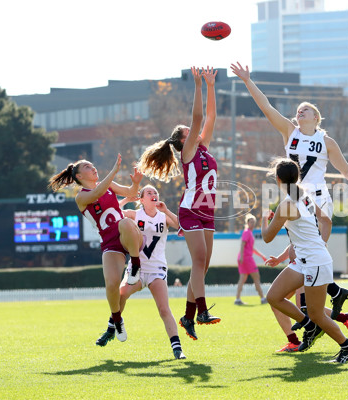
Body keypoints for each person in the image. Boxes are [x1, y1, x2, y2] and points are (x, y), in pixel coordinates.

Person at [231, 61, 348, 348]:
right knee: (302, 263)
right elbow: (266, 107)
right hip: (295, 196)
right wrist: (248, 81)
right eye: (298, 109)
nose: (300, 110)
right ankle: (325, 310)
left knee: (313, 258)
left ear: (317, 117)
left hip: (316, 199)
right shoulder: (290, 131)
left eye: (306, 108)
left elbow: (347, 170)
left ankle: (320, 315)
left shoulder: (327, 141)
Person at [137, 67, 219, 341]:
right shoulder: (189, 151)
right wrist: (196, 84)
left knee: (202, 267)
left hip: (208, 212)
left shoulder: (203, 147)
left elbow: (211, 116)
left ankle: (187, 315)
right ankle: (202, 311)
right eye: (189, 130)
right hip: (190, 211)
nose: (195, 130)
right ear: (184, 139)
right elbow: (198, 117)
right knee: (198, 261)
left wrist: (210, 84)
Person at [261, 158, 348, 363]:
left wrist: (264, 219)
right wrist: (320, 243)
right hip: (306, 260)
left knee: (317, 314)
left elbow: (267, 237)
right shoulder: (304, 196)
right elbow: (326, 220)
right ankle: (309, 327)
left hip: (313, 262)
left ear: (278, 180)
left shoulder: (286, 205)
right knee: (274, 296)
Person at [48, 154, 144, 344]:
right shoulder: (81, 197)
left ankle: (135, 263)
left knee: (124, 222)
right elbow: (96, 194)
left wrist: (136, 183)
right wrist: (114, 172)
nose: (92, 168)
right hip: (110, 243)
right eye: (87, 166)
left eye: (92, 165)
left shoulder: (105, 183)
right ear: (79, 176)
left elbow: (130, 192)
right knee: (111, 284)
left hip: (128, 236)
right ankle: (117, 320)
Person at [112, 185, 186, 359]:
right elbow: (113, 214)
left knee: (164, 309)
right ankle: (114, 324)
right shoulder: (135, 214)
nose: (153, 195)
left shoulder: (162, 216)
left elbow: (180, 225)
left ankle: (177, 348)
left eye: (155, 193)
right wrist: (126, 200)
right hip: (136, 268)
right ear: (142, 199)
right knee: (121, 294)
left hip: (156, 268)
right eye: (149, 193)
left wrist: (166, 210)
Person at [234, 214, 268, 305]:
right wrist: (241, 256)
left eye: (254, 222)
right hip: (246, 258)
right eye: (251, 222)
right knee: (256, 277)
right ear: (248, 223)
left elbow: (252, 248)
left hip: (244, 258)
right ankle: (262, 298)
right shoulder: (247, 232)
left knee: (242, 279)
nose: (252, 224)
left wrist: (261, 255)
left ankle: (237, 299)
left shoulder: (249, 233)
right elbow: (242, 244)